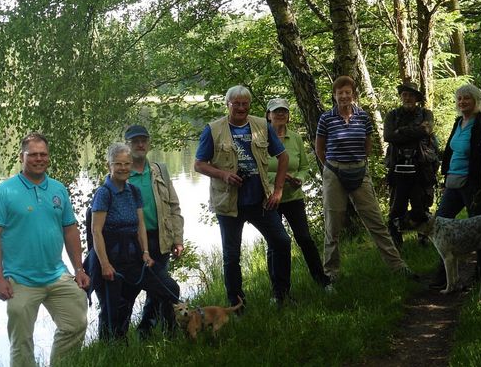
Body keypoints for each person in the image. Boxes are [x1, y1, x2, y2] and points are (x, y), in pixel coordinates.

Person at [0, 132, 90, 367]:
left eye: (43, 154)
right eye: (33, 154)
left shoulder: (58, 189)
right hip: (20, 280)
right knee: (21, 343)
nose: (39, 159)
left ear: (48, 157)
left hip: (56, 275)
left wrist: (79, 268)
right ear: (22, 156)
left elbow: (70, 229)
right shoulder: (5, 192)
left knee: (76, 323)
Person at [194, 85, 292, 309]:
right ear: (227, 104)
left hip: (261, 201)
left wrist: (277, 190)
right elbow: (198, 164)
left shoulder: (262, 125)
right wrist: (224, 175)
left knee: (281, 242)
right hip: (229, 203)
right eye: (235, 103)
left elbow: (283, 157)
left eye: (244, 103)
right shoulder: (213, 129)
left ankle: (281, 295)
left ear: (249, 105)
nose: (240, 107)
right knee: (231, 256)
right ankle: (237, 305)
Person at [315, 75, 415, 281]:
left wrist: (360, 162)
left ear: (353, 95)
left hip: (360, 172)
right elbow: (320, 148)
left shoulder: (363, 117)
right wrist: (332, 167)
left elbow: (368, 145)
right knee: (332, 226)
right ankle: (331, 275)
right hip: (334, 173)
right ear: (334, 95)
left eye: (347, 92)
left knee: (376, 222)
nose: (344, 96)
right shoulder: (326, 118)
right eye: (339, 92)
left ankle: (398, 267)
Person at [88, 143, 180, 340]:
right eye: (118, 164)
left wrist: (146, 252)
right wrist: (105, 264)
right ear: (109, 166)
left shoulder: (134, 191)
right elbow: (96, 231)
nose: (123, 168)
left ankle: (170, 335)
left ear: (131, 164)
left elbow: (140, 225)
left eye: (127, 163)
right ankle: (111, 349)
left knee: (169, 288)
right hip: (110, 257)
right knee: (113, 309)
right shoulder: (104, 193)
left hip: (134, 256)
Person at [430, 84, 481, 290]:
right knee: (439, 225)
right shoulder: (458, 122)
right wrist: (445, 175)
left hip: (473, 184)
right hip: (453, 182)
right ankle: (444, 277)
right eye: (459, 99)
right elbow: (450, 152)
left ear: (476, 100)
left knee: (478, 228)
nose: (462, 102)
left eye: (467, 98)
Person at [265, 98, 332, 289]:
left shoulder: (295, 138)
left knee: (304, 238)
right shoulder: (260, 139)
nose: (280, 114)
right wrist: (280, 176)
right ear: (268, 116)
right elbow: (258, 169)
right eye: (276, 111)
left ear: (288, 116)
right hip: (270, 199)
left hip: (294, 197)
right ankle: (278, 291)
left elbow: (303, 166)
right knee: (275, 244)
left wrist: (300, 179)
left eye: (283, 111)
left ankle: (323, 281)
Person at [124, 125, 184, 337]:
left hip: (160, 237)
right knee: (135, 289)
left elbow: (174, 205)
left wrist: (178, 239)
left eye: (143, 140)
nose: (140, 144)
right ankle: (120, 335)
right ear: (127, 145)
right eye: (135, 141)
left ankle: (157, 329)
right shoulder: (121, 173)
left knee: (159, 288)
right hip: (133, 242)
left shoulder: (159, 170)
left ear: (149, 143)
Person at [384, 81, 438, 249]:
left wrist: (400, 132)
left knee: (421, 205)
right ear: (401, 97)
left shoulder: (426, 114)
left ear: (417, 98)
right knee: (396, 208)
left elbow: (426, 130)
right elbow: (388, 136)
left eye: (411, 95)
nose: (407, 98)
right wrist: (415, 131)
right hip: (397, 168)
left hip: (421, 168)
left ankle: (423, 239)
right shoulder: (392, 115)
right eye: (404, 95)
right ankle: (396, 243)